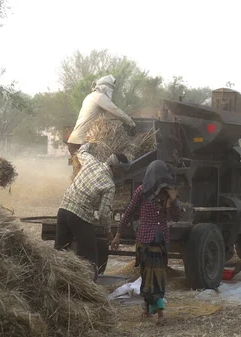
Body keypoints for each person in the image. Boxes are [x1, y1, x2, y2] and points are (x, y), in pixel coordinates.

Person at [111, 160, 181, 326]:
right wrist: (118, 234)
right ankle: (151, 309)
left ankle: (157, 311)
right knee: (148, 275)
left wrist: (173, 201)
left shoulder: (167, 194)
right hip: (146, 241)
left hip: (159, 241)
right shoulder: (142, 192)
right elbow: (128, 213)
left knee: (156, 276)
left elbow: (177, 217)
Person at [55, 142, 130, 281]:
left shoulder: (92, 162)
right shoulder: (109, 185)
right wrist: (108, 232)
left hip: (63, 210)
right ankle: (90, 288)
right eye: (122, 171)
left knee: (60, 252)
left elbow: (81, 151)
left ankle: (57, 282)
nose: (122, 175)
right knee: (90, 257)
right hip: (80, 217)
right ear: (114, 168)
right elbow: (103, 213)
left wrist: (91, 142)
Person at [67, 75, 136, 156]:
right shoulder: (99, 97)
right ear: (106, 88)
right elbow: (116, 112)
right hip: (82, 143)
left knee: (83, 169)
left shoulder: (89, 96)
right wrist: (131, 123)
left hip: (74, 141)